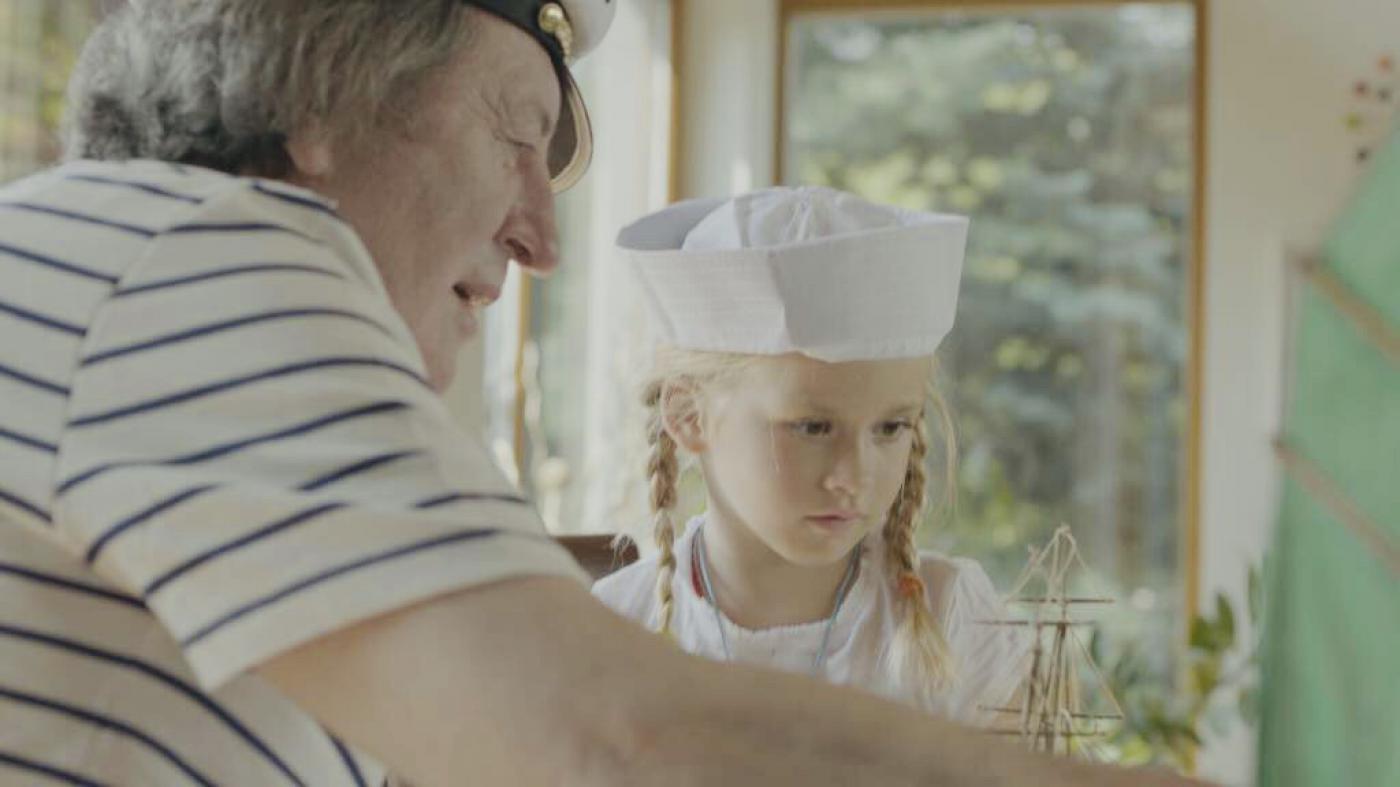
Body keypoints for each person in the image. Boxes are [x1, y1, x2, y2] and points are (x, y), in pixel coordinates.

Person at [0, 1, 1206, 785]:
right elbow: (609, 737)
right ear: (327, 94)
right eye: (515, 137)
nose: (541, 240)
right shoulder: (188, 258)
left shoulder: (138, 289)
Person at [595, 186, 1028, 725]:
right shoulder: (606, 632)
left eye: (890, 427)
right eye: (813, 428)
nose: (854, 477)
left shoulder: (955, 620)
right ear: (688, 416)